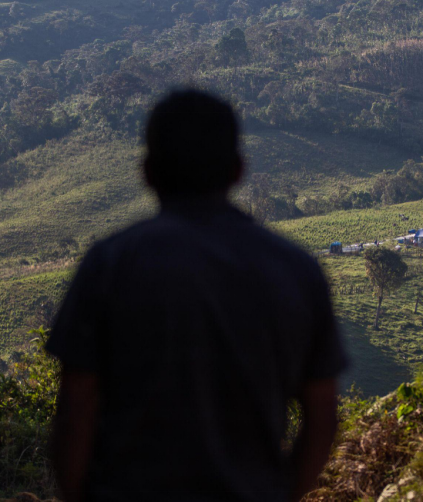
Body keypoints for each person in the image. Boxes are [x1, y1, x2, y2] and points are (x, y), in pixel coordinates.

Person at [46, 89, 348, 502]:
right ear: (239, 170)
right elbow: (322, 417)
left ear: (147, 172)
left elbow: (74, 414)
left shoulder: (111, 263)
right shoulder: (296, 269)